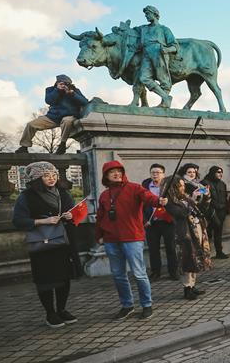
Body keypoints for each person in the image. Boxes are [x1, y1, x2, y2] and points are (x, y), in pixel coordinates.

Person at [12, 162, 83, 327]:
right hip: (42, 244)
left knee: (64, 277)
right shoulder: (27, 196)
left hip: (64, 242)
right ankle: (50, 313)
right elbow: (18, 221)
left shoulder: (63, 193)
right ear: (37, 178)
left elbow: (75, 213)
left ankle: (62, 309)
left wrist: (71, 216)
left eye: (53, 175)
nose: (51, 178)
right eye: (46, 175)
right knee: (45, 279)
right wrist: (43, 221)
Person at [95, 160, 165, 320]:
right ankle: (127, 305)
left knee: (139, 273)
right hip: (111, 240)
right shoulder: (104, 195)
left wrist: (159, 201)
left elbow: (148, 197)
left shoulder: (134, 188)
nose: (116, 173)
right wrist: (98, 235)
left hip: (132, 238)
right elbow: (100, 217)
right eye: (112, 172)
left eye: (119, 171)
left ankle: (147, 305)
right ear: (106, 176)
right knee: (118, 275)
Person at [164, 176, 211, 300]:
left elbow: (201, 210)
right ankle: (187, 288)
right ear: (174, 187)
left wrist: (205, 197)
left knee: (195, 258)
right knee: (187, 259)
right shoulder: (169, 201)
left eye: (183, 185)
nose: (183, 187)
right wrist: (193, 200)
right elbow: (181, 214)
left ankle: (192, 285)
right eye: (180, 186)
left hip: (196, 229)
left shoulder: (186, 198)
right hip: (184, 233)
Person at [16, 75, 89, 154]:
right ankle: (24, 146)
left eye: (66, 84)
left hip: (69, 115)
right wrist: (57, 90)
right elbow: (49, 101)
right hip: (53, 117)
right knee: (31, 125)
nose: (64, 85)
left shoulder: (75, 91)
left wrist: (72, 94)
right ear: (57, 83)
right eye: (61, 83)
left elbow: (85, 102)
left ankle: (62, 145)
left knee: (67, 121)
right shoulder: (50, 90)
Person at [142, 164, 178, 281]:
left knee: (171, 248)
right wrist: (145, 220)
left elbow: (177, 201)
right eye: (153, 172)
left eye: (158, 172)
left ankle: (173, 271)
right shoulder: (145, 186)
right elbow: (141, 205)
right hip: (152, 222)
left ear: (163, 174)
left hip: (168, 221)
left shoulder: (169, 185)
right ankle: (155, 272)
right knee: (153, 249)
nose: (155, 175)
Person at [137, 5, 177, 108]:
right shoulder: (143, 28)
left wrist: (167, 50)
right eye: (145, 14)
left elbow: (175, 46)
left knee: (163, 78)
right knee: (143, 77)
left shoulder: (164, 29)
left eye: (148, 14)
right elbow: (130, 32)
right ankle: (166, 97)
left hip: (158, 51)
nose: (146, 16)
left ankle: (165, 102)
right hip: (146, 52)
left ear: (155, 14)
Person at [201, 166, 229, 259]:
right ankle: (205, 254)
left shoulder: (222, 184)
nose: (220, 174)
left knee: (218, 233)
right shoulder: (204, 183)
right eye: (218, 172)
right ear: (213, 173)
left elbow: (225, 197)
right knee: (207, 233)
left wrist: (226, 210)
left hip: (221, 211)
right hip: (210, 212)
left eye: (221, 172)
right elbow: (202, 197)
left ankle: (219, 252)